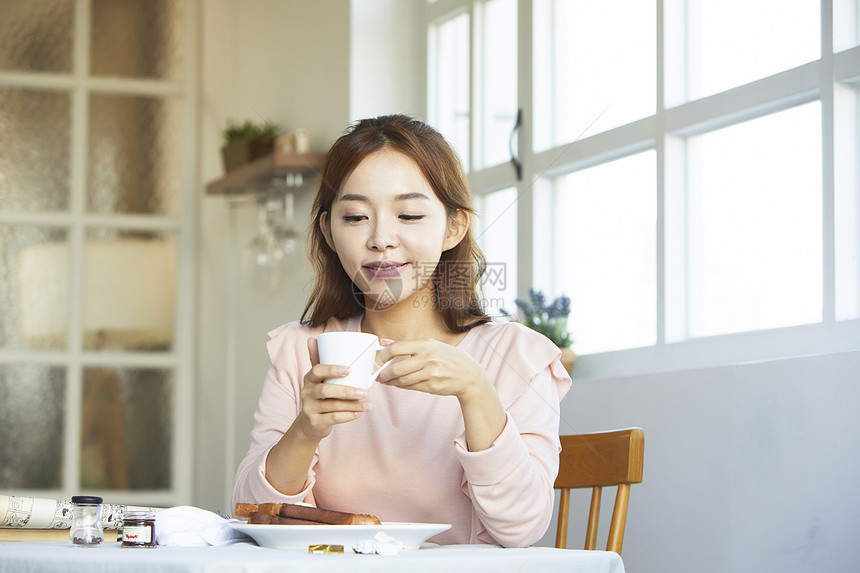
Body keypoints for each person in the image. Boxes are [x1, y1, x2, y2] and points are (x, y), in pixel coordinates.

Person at [232, 114, 571, 547]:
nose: (380, 239)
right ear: (329, 233)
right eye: (354, 217)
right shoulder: (301, 350)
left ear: (454, 226)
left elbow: (521, 530)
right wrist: (306, 430)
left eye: (409, 214)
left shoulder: (518, 357)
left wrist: (476, 393)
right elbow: (253, 516)